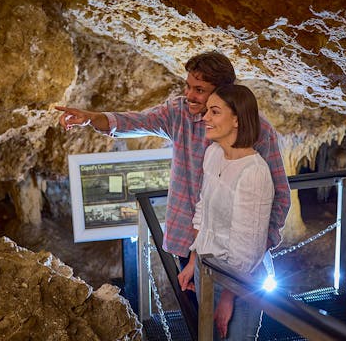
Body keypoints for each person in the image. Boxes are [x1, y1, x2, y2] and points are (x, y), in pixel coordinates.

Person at [55, 50, 290, 278]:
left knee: (233, 314)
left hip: (237, 248)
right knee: (197, 314)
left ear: (223, 93)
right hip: (190, 239)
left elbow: (279, 193)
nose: (189, 95)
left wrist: (263, 244)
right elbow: (138, 121)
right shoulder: (180, 113)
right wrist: (90, 117)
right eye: (188, 86)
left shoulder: (259, 131)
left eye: (199, 90)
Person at [178, 85, 272, 339]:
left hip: (239, 284)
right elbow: (203, 212)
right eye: (207, 110)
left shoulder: (253, 172)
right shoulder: (214, 154)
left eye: (214, 112)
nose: (205, 117)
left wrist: (227, 298)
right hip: (207, 270)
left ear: (237, 120)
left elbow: (248, 250)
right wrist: (193, 261)